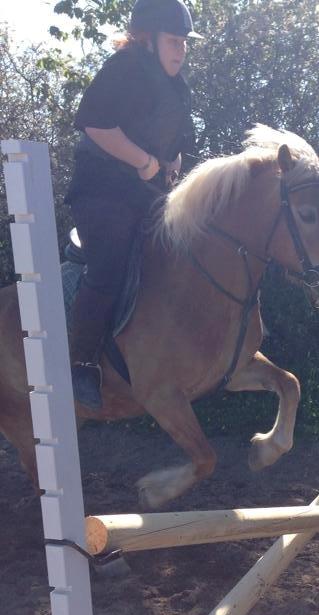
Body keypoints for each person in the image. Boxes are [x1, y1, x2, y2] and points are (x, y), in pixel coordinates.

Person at [66, 0, 201, 409]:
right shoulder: (124, 68)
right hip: (102, 195)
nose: (181, 50)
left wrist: (174, 158)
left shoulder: (176, 85)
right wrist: (143, 161)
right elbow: (94, 123)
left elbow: (178, 141)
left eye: (184, 43)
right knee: (110, 265)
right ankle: (81, 361)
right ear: (148, 39)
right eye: (174, 41)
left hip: (147, 197)